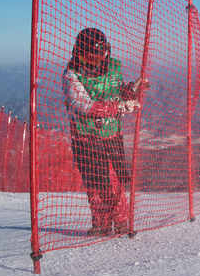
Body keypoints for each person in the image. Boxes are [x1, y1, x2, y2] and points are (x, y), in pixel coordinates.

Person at [63, 27, 147, 235]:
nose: (95, 61)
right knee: (94, 181)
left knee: (114, 180)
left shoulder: (113, 67)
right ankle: (100, 223)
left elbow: (116, 90)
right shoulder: (72, 74)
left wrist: (129, 91)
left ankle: (120, 222)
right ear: (80, 53)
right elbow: (81, 104)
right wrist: (117, 108)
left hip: (111, 135)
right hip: (86, 137)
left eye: (99, 55)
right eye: (90, 57)